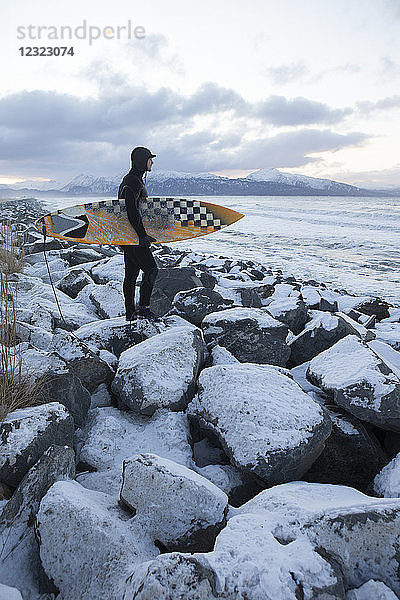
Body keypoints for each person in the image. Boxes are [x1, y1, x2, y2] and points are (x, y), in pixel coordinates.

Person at [118, 146, 159, 320]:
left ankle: (130, 313)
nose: (152, 162)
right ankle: (143, 309)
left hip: (128, 236)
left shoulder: (133, 179)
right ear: (142, 161)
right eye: (150, 159)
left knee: (131, 275)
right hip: (134, 238)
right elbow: (131, 209)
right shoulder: (133, 181)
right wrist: (142, 235)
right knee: (151, 270)